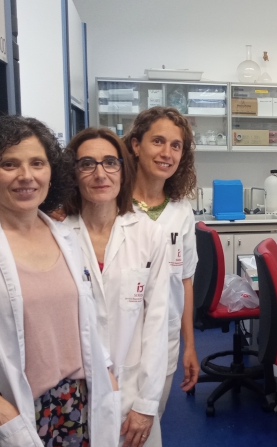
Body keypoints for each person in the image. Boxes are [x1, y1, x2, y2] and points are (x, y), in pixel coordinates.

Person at [0, 115, 119, 447]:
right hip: (10, 409)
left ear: (51, 172)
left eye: (37, 163)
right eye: (9, 164)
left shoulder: (66, 238)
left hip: (80, 404)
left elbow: (85, 321)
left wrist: (107, 372)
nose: (26, 176)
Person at [62, 128, 170, 447]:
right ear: (74, 173)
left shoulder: (149, 235)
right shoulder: (57, 236)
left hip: (132, 391)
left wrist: (147, 404)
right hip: (73, 397)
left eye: (111, 162)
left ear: (124, 170)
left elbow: (157, 321)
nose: (100, 174)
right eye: (87, 164)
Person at [123, 107, 199, 418]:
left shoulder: (181, 211)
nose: (166, 153)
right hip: (119, 340)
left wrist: (190, 345)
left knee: (150, 423)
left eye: (176, 145)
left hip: (165, 341)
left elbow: (185, 280)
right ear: (136, 145)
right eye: (157, 141)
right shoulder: (112, 203)